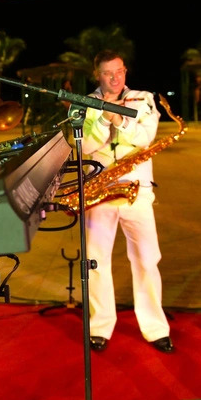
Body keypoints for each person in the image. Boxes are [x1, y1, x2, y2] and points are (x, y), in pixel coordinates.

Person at [81, 50, 173, 353]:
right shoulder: (86, 104)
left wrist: (120, 122)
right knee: (96, 262)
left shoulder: (142, 99)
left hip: (137, 189)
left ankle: (155, 327)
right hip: (99, 190)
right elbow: (85, 147)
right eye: (108, 73)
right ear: (98, 75)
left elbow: (146, 137)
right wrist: (102, 121)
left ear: (125, 71)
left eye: (119, 71)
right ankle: (100, 326)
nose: (115, 78)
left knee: (147, 259)